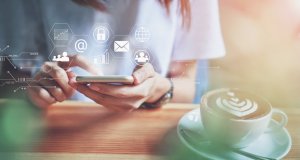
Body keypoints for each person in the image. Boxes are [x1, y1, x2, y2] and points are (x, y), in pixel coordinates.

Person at [0, 0, 225, 111]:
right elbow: (11, 84)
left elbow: (188, 86)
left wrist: (158, 89)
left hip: (150, 129)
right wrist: (34, 92)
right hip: (58, 128)